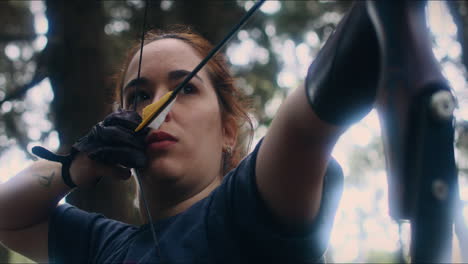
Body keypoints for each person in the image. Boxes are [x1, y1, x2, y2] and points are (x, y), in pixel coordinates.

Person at [0, 2, 380, 263]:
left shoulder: (251, 205)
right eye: (138, 96)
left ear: (228, 132)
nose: (157, 108)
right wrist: (80, 163)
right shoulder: (105, 246)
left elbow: (312, 113)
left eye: (185, 89)